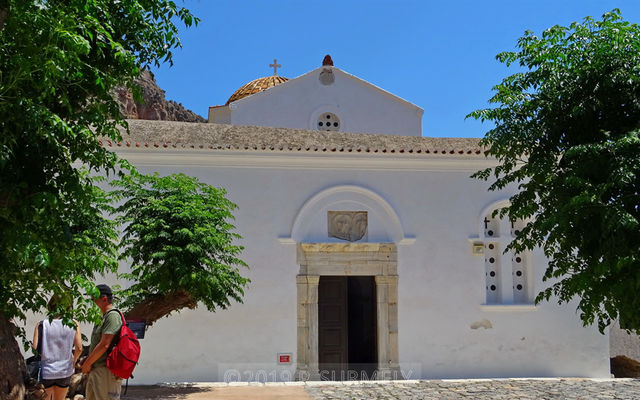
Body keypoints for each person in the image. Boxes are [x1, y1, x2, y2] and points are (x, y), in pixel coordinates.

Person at [33, 294, 83, 400]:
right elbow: (79, 348)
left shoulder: (41, 325)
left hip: (46, 371)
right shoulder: (74, 323)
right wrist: (73, 362)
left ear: (50, 305)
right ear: (68, 307)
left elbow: (35, 348)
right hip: (65, 370)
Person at [81, 284, 123, 400]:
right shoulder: (103, 317)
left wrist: (87, 363)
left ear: (104, 298)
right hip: (96, 370)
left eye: (94, 297)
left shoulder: (112, 316)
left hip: (106, 372)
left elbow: (105, 344)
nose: (92, 300)